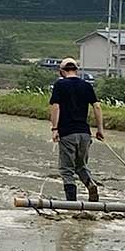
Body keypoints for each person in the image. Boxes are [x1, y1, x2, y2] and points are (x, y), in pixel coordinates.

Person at [49, 57, 105, 202]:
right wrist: (100, 129)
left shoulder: (60, 85)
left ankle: (71, 203)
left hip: (67, 133)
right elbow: (97, 107)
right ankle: (90, 184)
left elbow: (56, 106)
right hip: (85, 133)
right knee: (81, 166)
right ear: (76, 70)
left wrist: (55, 129)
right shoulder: (86, 85)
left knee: (66, 170)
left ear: (62, 71)